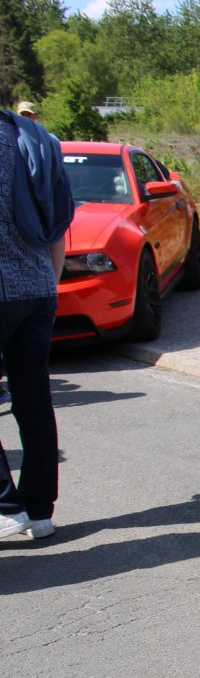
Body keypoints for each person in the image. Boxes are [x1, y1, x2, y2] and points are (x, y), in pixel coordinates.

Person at [0, 103, 73, 540]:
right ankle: (39, 510)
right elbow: (58, 226)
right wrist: (50, 284)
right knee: (33, 399)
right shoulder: (36, 139)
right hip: (39, 286)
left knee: (32, 398)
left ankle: (7, 507)